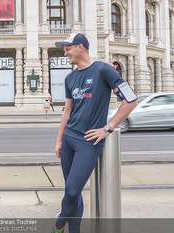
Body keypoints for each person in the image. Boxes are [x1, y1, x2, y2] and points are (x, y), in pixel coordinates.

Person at [52, 33, 138, 233]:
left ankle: (58, 223)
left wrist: (108, 128)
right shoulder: (70, 78)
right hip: (69, 140)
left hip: (88, 141)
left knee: (72, 190)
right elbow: (67, 112)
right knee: (73, 193)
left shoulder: (103, 70)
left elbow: (131, 100)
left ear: (80, 47)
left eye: (68, 48)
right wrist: (58, 141)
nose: (65, 53)